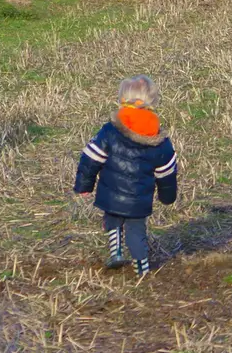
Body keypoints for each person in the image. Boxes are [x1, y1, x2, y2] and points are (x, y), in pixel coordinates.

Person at [73, 75, 179, 278]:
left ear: (122, 99)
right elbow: (166, 170)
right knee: (137, 232)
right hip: (139, 199)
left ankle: (116, 252)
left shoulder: (110, 130)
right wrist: (167, 197)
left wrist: (83, 185)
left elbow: (91, 158)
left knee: (112, 218)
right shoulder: (158, 137)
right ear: (151, 101)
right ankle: (142, 268)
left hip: (111, 193)